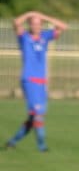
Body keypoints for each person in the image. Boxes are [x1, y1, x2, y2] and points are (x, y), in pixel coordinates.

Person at [8, 10, 68, 153]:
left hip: (41, 82)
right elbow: (16, 23)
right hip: (29, 80)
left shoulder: (45, 36)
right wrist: (30, 13)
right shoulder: (24, 37)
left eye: (39, 24)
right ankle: (42, 146)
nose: (36, 26)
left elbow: (63, 26)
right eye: (34, 23)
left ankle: (12, 142)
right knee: (38, 115)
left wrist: (43, 16)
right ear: (29, 25)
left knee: (33, 118)